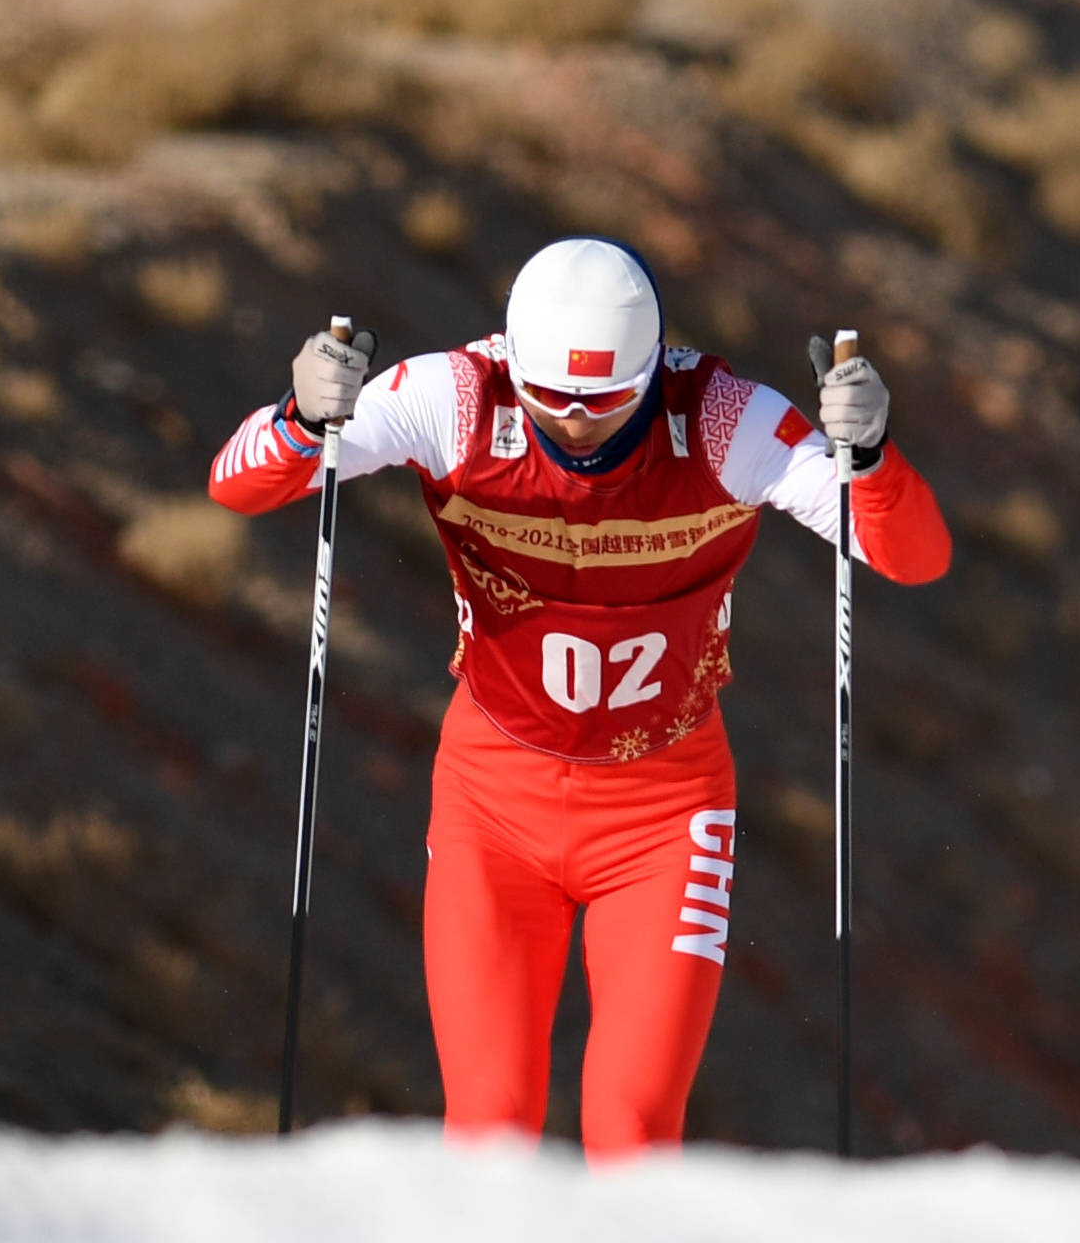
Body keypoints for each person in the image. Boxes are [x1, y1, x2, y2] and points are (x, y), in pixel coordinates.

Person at [206, 238, 952, 1157]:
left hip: (663, 814)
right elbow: (237, 485)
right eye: (548, 397)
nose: (572, 425)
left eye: (602, 403)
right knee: (488, 1129)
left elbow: (912, 558)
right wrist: (299, 414)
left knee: (632, 1133)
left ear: (653, 369)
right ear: (511, 359)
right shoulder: (454, 396)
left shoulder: (725, 421)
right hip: (493, 803)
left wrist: (869, 454)